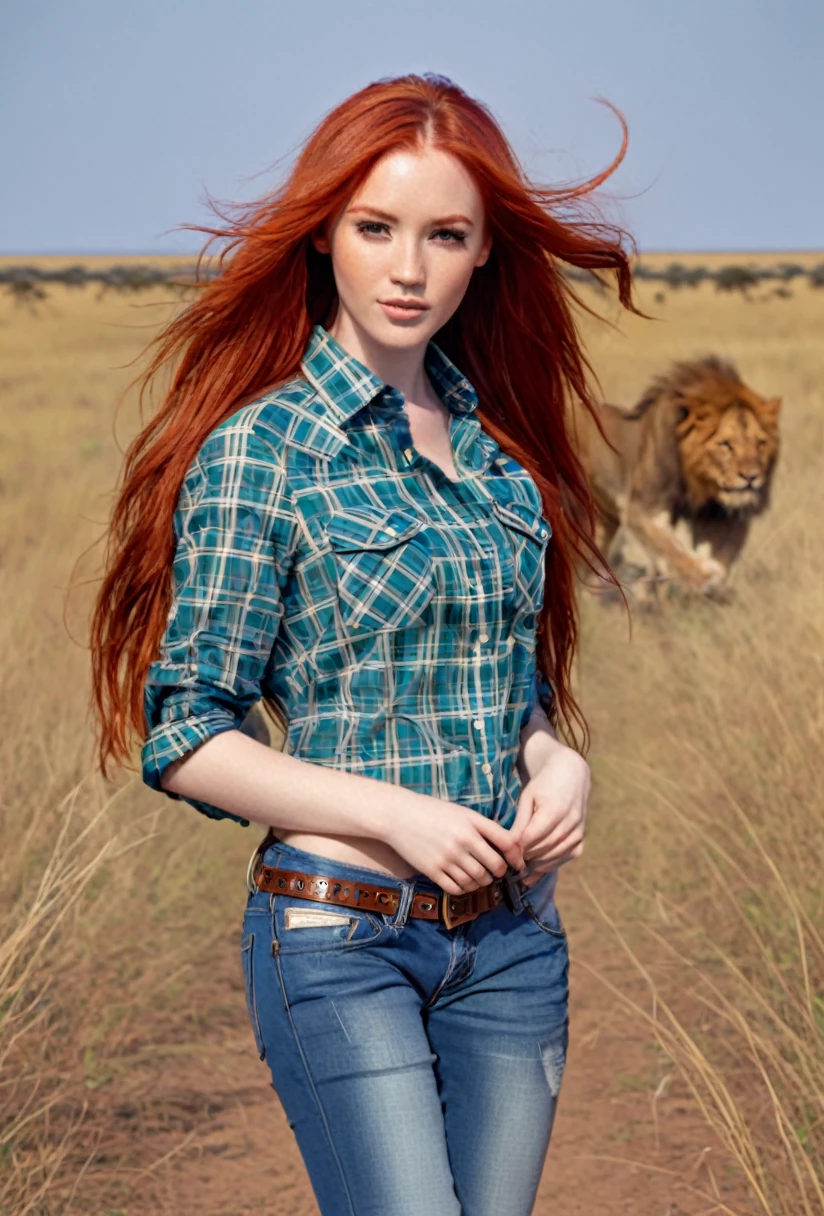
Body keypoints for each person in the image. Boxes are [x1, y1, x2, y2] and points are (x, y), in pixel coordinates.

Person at [90, 73, 636, 1216]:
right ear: (324, 235)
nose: (406, 268)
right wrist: (395, 814)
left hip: (514, 946)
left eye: (445, 235)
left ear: (486, 250)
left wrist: (556, 759)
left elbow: (507, 688)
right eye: (374, 228)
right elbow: (185, 732)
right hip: (340, 939)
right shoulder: (263, 451)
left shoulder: (499, 459)